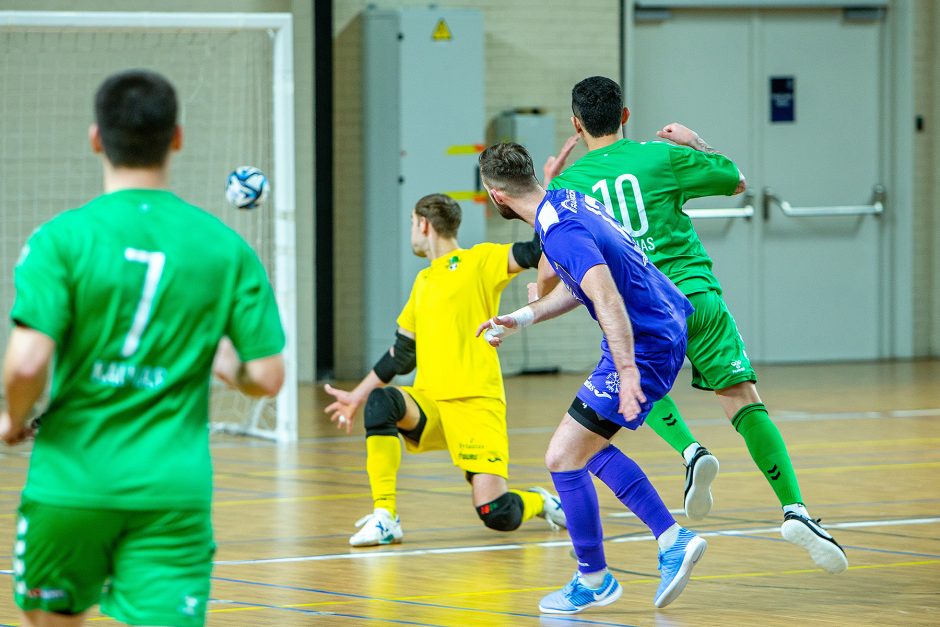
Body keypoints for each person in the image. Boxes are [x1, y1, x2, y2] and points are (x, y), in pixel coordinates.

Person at [1, 69, 286, 627]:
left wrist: (13, 418)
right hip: (172, 491)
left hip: (71, 482)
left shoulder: (60, 238)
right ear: (176, 137)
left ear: (95, 138)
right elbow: (269, 376)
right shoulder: (225, 247)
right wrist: (228, 366)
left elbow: (28, 361)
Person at [541, 75, 847, 574]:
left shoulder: (568, 187)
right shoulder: (659, 156)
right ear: (624, 115)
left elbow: (548, 273)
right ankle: (796, 509)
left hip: (639, 310)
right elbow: (735, 180)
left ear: (576, 123)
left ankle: (689, 450)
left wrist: (549, 195)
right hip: (694, 295)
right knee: (743, 400)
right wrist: (694, 142)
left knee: (636, 383)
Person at [477, 142, 707, 614]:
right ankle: (671, 538)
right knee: (589, 449)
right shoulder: (566, 200)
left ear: (495, 195)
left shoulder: (558, 230)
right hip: (661, 324)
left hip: (646, 342)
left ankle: (595, 579)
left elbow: (605, 298)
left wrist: (627, 373)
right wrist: (518, 318)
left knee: (562, 458)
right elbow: (578, 286)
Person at [323, 193, 565, 547]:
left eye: (410, 223)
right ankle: (385, 517)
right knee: (382, 403)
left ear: (423, 223)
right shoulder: (423, 282)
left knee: (496, 513)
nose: (411, 232)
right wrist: (357, 396)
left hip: (476, 406)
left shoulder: (480, 259)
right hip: (431, 406)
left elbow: (533, 250)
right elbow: (402, 356)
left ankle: (540, 500)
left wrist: (540, 196)